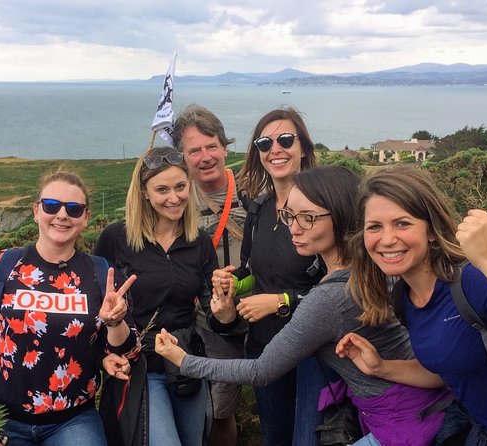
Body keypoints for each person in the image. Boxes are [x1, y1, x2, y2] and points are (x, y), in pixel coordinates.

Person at [154, 166, 453, 446]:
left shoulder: (331, 297)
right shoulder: (372, 268)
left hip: (403, 421)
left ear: (340, 216)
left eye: (307, 218)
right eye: (289, 216)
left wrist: (183, 361)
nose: (293, 229)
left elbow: (261, 371)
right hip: (425, 404)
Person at [336, 165, 487, 444]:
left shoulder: (473, 281)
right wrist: (380, 367)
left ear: (431, 230)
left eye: (402, 223)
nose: (387, 239)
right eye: (375, 227)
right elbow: (447, 372)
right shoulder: (405, 298)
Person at [0, 171, 138, 445]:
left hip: (73, 420)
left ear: (86, 218)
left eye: (74, 209)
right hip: (0, 418)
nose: (62, 215)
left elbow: (127, 352)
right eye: (52, 206)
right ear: (36, 211)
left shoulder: (102, 274)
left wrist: (115, 322)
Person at [209, 107, 328, 446]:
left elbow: (344, 286)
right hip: (264, 347)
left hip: (312, 350)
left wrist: (280, 302)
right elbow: (252, 272)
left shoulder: (323, 208)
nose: (275, 149)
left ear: (303, 147)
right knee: (275, 436)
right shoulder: (258, 209)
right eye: (265, 143)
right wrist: (235, 283)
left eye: (286, 139)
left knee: (308, 438)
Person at [94, 146, 218, 446]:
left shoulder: (198, 241)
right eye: (162, 189)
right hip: (140, 366)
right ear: (144, 193)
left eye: (180, 187)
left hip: (187, 362)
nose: (173, 198)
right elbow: (95, 311)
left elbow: (216, 317)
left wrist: (225, 307)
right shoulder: (116, 239)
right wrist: (103, 356)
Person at [173, 104, 247, 446]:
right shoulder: (177, 201)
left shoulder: (252, 191)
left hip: (262, 312)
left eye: (211, 146)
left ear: (225, 148)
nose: (205, 157)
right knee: (218, 408)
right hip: (207, 321)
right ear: (182, 156)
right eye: (193, 150)